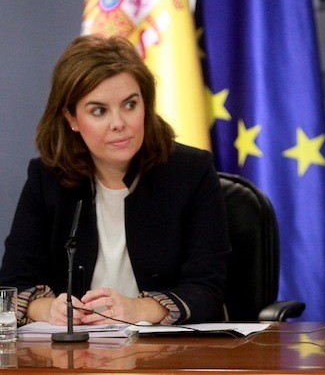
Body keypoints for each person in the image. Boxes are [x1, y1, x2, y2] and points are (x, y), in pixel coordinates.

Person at [0, 35, 229, 326]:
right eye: (99, 111)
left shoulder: (191, 173)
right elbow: (12, 284)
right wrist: (48, 309)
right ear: (71, 118)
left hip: (167, 350)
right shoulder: (47, 179)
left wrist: (138, 309)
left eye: (130, 105)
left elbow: (208, 290)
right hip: (75, 351)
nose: (119, 123)